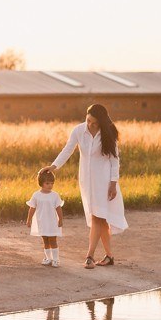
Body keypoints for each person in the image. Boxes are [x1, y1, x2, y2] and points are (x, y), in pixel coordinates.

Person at [43, 103, 127, 270]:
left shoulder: (108, 133)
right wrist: (53, 166)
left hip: (104, 182)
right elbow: (68, 150)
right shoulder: (79, 130)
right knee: (100, 219)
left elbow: (114, 160)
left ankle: (89, 256)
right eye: (88, 120)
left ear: (101, 122)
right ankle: (109, 256)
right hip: (87, 182)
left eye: (94, 123)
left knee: (98, 217)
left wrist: (113, 183)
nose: (90, 125)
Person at [26, 168, 64, 267]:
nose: (50, 185)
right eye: (47, 183)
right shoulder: (36, 195)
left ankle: (56, 259)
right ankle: (48, 258)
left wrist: (60, 219)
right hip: (42, 221)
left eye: (52, 183)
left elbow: (58, 208)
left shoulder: (54, 195)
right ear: (41, 183)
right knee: (45, 240)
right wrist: (29, 219)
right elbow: (32, 208)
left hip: (52, 222)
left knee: (53, 240)